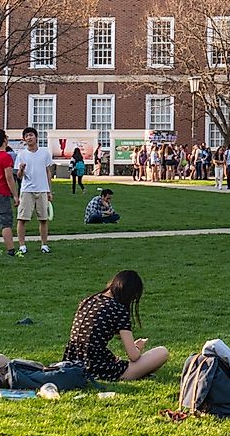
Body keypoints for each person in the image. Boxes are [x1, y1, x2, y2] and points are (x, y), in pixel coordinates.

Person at [63, 270, 169, 381]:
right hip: (97, 368)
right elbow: (133, 356)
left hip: (72, 362)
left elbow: (90, 340)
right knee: (162, 352)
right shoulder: (118, 309)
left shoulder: (88, 300)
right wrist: (138, 346)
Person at [14, 126, 54, 255]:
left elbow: (48, 172)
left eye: (31, 135)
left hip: (42, 189)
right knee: (22, 219)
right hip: (27, 190)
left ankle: (44, 244)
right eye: (26, 136)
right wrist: (21, 169)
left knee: (43, 219)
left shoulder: (44, 153)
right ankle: (22, 245)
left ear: (36, 137)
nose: (29, 138)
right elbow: (18, 176)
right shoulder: (21, 155)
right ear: (24, 139)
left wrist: (49, 191)